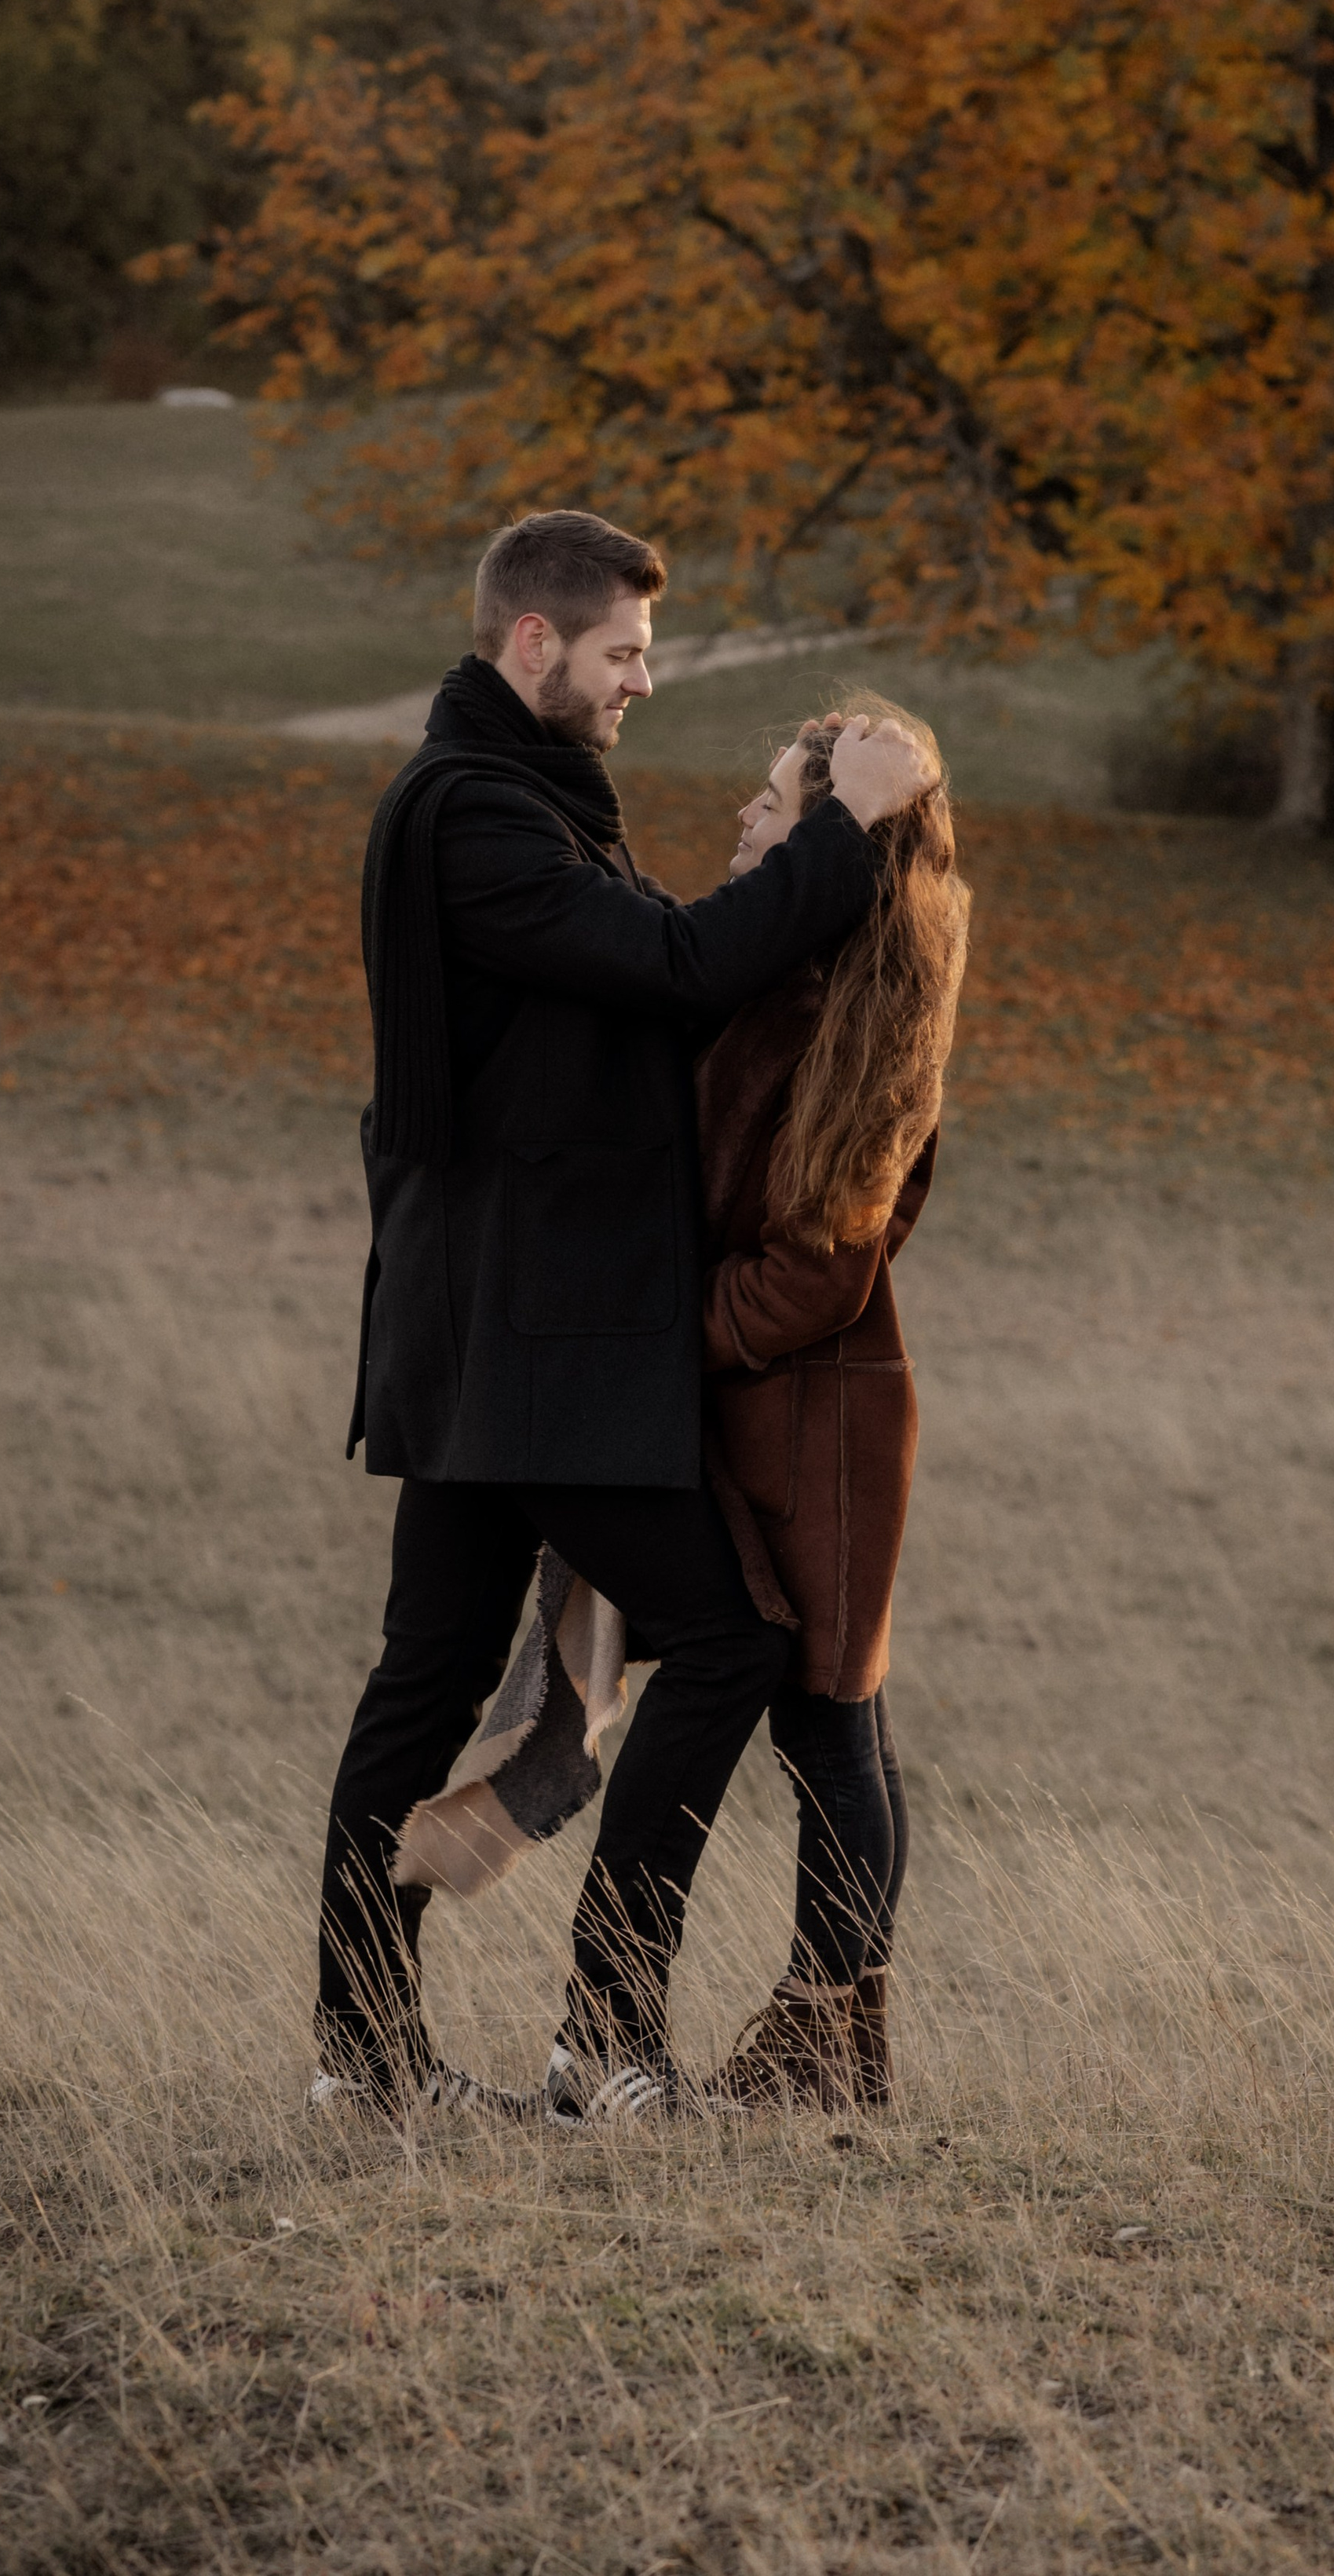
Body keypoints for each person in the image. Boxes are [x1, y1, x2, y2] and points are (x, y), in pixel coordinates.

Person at [315, 508, 934, 2126]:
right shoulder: (474, 820)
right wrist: (846, 836)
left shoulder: (521, 808)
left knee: (426, 1675)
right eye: (621, 653)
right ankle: (596, 2031)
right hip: (533, 1352)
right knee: (724, 1637)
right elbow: (673, 966)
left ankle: (368, 2061)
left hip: (491, 1345)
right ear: (533, 643)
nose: (638, 683)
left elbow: (668, 987)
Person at [697, 701, 968, 2113]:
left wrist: (672, 1340)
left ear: (842, 843)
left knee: (831, 1726)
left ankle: (823, 2043)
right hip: (767, 1417)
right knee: (837, 1731)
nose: (744, 820)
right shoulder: (780, 978)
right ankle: (834, 2053)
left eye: (774, 804)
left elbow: (815, 1274)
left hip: (821, 1429)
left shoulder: (858, 1026)